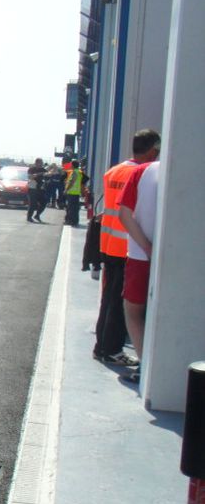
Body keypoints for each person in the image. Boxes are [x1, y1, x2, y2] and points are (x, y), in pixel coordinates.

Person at [93, 129, 160, 368]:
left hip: (109, 244)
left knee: (107, 300)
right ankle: (111, 349)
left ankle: (102, 346)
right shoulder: (142, 174)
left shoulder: (114, 171)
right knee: (122, 306)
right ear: (152, 150)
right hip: (127, 248)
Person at [117, 158, 160, 384]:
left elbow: (124, 214)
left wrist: (147, 247)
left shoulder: (144, 171)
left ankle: (146, 367)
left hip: (140, 256)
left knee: (133, 311)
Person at [63, 159, 88, 225]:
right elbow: (85, 179)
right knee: (75, 208)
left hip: (71, 192)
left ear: (73, 165)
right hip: (76, 193)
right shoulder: (79, 172)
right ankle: (75, 221)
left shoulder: (74, 172)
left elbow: (72, 181)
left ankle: (70, 221)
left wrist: (66, 189)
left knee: (70, 208)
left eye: (71, 164)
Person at [26, 158, 47, 223]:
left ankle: (37, 215)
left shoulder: (43, 170)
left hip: (40, 189)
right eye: (40, 163)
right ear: (36, 163)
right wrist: (39, 174)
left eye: (42, 163)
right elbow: (30, 177)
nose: (42, 164)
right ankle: (29, 217)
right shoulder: (31, 169)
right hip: (32, 188)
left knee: (44, 202)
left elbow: (48, 174)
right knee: (32, 204)